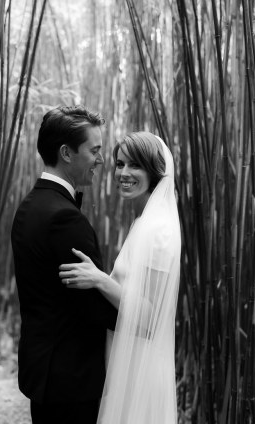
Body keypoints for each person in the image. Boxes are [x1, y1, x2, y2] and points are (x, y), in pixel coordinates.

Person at [59, 132, 181, 423]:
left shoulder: (159, 232)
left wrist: (100, 279)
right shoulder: (143, 221)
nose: (123, 173)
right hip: (126, 362)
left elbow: (150, 320)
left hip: (140, 371)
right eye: (120, 163)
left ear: (155, 172)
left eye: (135, 165)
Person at [11, 105, 118, 424]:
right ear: (66, 153)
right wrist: (138, 308)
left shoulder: (29, 206)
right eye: (94, 150)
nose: (101, 160)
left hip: (45, 373)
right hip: (71, 382)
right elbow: (95, 308)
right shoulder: (65, 219)